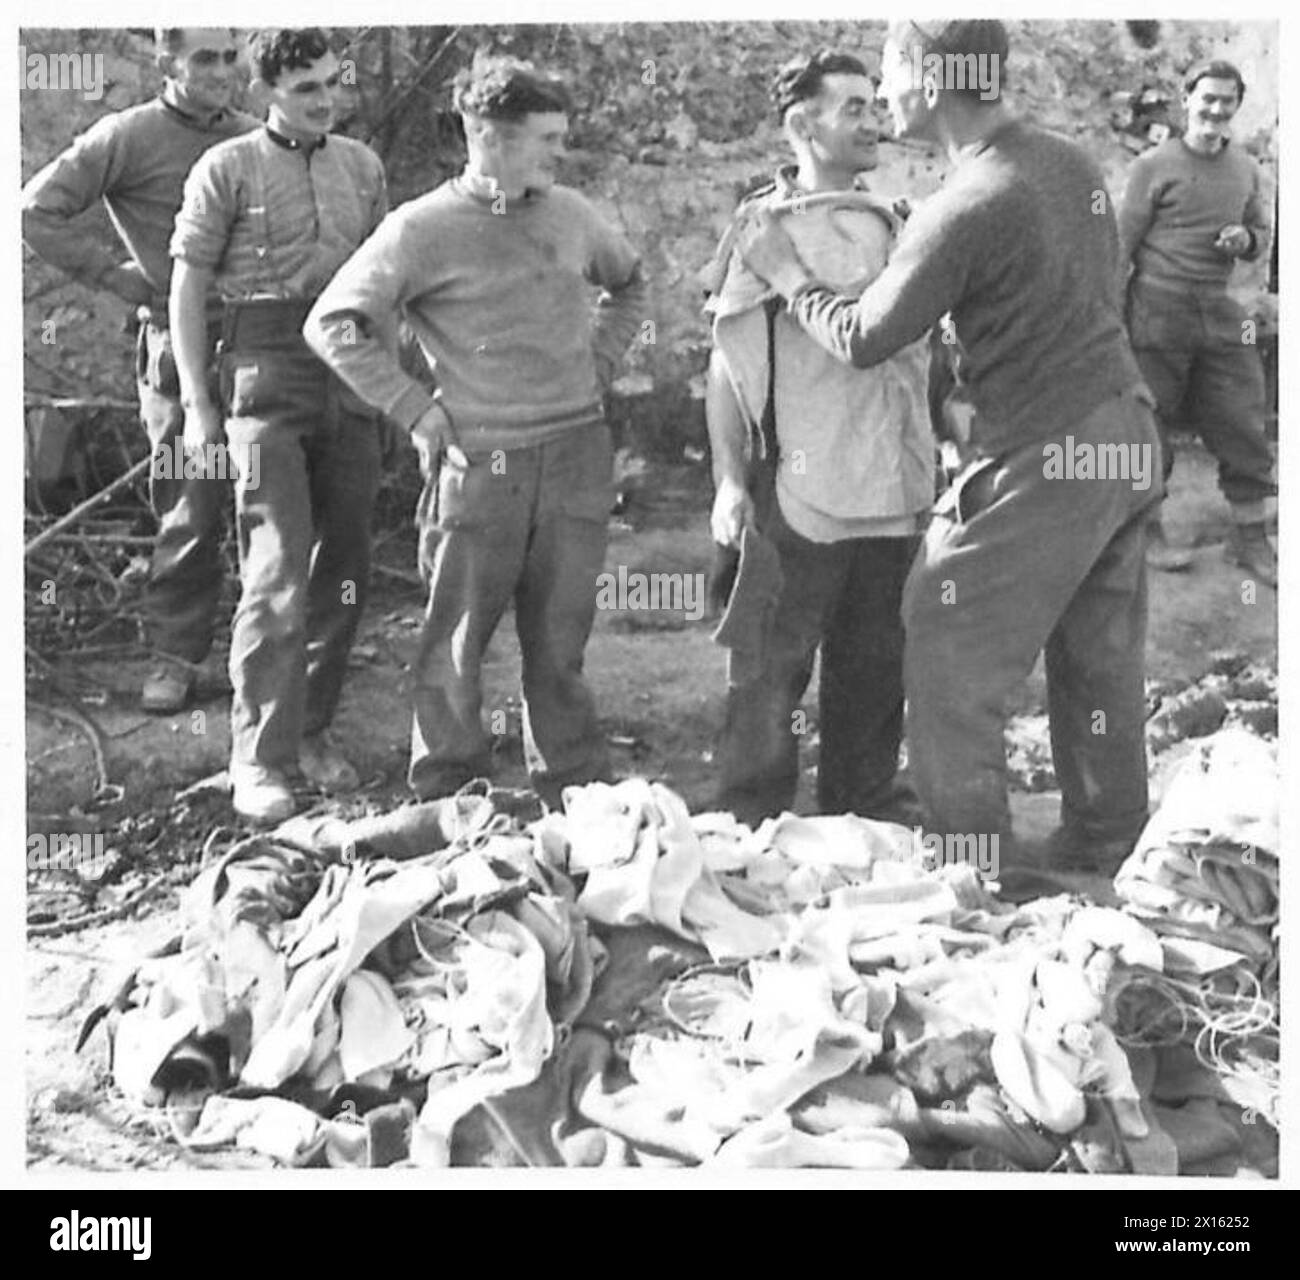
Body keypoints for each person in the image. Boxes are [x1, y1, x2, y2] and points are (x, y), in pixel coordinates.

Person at [737, 19, 1163, 874]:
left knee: (947, 637)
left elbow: (863, 336)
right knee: (1095, 649)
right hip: (1126, 435)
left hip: (1051, 447)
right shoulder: (1067, 164)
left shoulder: (963, 204)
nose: (887, 99)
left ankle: (977, 868)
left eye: (890, 78)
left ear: (931, 82)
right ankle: (1107, 836)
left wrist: (788, 271)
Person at [304, 55, 647, 808]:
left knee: (560, 638)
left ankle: (575, 788)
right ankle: (448, 794)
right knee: (455, 642)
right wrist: (415, 408)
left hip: (575, 454)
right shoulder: (420, 229)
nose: (560, 154)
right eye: (544, 139)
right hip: (480, 462)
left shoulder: (571, 214)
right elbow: (333, 323)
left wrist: (596, 361)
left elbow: (630, 283)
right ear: (486, 136)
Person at [704, 51, 932, 826]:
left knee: (876, 670)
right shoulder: (766, 232)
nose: (875, 121)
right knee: (769, 675)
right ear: (803, 124)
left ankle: (860, 815)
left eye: (876, 104)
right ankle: (749, 825)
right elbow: (728, 366)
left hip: (894, 490)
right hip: (800, 491)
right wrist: (731, 482)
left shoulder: (900, 223)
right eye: (854, 108)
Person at [170, 28, 388, 823]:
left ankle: (312, 731)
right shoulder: (225, 168)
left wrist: (397, 390)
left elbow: (387, 277)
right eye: (304, 89)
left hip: (352, 368)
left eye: (331, 83)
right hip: (264, 375)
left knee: (349, 561)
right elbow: (186, 290)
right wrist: (199, 407)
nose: (324, 99)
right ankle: (256, 755)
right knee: (277, 565)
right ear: (264, 92)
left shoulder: (361, 166)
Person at [23, 28, 257, 713]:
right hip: (182, 352)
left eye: (229, 57)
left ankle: (273, 659)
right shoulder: (128, 136)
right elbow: (35, 211)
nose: (220, 71)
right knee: (191, 503)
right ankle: (175, 659)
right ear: (166, 64)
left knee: (276, 504)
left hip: (264, 349)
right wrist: (113, 274)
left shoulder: (255, 136)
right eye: (203, 59)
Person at [1118, 59, 1277, 586]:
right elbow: (1122, 244)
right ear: (1188, 100)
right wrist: (1110, 317)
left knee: (1243, 414)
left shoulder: (1247, 169)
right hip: (1157, 310)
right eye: (1206, 98)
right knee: (1147, 422)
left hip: (1220, 309)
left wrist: (1245, 241)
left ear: (1236, 106)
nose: (1215, 109)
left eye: (1226, 101)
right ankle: (1147, 529)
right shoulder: (1152, 166)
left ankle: (1250, 537)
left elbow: (1260, 232)